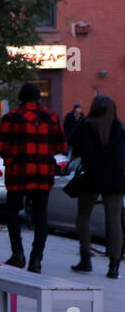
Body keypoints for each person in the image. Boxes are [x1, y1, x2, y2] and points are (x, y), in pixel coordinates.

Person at [0, 82, 66, 273]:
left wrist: (12, 156)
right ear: (38, 97)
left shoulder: (12, 117)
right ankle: (36, 259)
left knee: (12, 213)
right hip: (43, 174)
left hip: (18, 173)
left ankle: (18, 254)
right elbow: (62, 146)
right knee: (41, 215)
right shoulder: (51, 117)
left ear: (20, 97)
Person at [67, 94, 125, 277]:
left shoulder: (86, 125)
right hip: (115, 178)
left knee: (83, 218)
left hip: (90, 176)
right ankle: (114, 266)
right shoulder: (119, 128)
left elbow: (72, 144)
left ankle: (86, 259)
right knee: (114, 220)